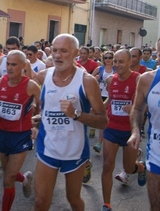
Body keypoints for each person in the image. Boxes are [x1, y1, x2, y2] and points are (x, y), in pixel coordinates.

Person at [34, 33, 108, 211]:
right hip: (47, 148)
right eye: (55, 50)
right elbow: (38, 105)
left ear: (76, 53)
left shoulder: (87, 81)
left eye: (64, 51)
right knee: (40, 202)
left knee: (73, 199)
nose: (57, 55)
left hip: (75, 152)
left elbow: (103, 121)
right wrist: (38, 118)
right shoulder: (43, 76)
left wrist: (75, 114)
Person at [0, 50, 41, 211]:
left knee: (8, 179)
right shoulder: (0, 82)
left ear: (23, 66)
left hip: (21, 136)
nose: (9, 68)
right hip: (2, 133)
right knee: (9, 171)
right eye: (7, 64)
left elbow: (43, 107)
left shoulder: (30, 85)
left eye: (13, 65)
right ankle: (24, 179)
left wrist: (37, 125)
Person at [101, 49, 146, 211]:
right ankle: (106, 204)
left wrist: (134, 107)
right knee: (107, 164)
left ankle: (140, 167)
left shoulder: (138, 79)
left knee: (128, 168)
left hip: (130, 129)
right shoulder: (109, 80)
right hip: (112, 127)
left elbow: (144, 104)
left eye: (121, 62)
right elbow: (111, 99)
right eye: (115, 61)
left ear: (129, 62)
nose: (117, 65)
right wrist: (99, 109)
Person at [128, 34, 160, 211]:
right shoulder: (147, 80)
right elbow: (137, 109)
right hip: (158, 155)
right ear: (156, 56)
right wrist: (135, 130)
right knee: (157, 206)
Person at [92, 51, 115, 153]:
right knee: (103, 118)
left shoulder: (116, 70)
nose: (108, 60)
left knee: (107, 118)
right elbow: (89, 79)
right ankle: (99, 142)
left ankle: (103, 141)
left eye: (110, 57)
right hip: (100, 95)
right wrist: (95, 79)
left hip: (112, 96)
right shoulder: (100, 69)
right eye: (106, 58)